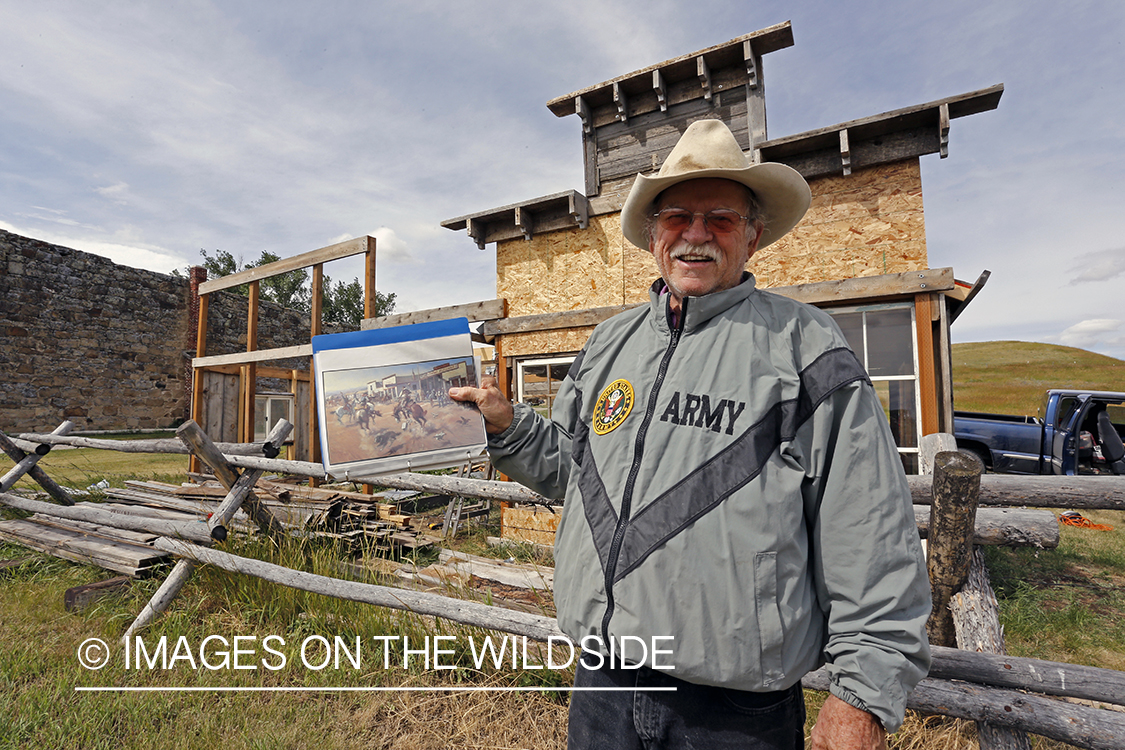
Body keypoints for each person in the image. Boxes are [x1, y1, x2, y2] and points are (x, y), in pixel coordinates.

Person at [450, 119, 931, 750]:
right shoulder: (609, 345)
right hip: (604, 684)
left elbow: (868, 530)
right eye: (677, 216)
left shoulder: (804, 349)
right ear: (654, 235)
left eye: (721, 219)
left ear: (753, 236)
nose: (695, 235)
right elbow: (572, 470)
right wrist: (507, 426)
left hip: (735, 713)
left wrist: (861, 697)